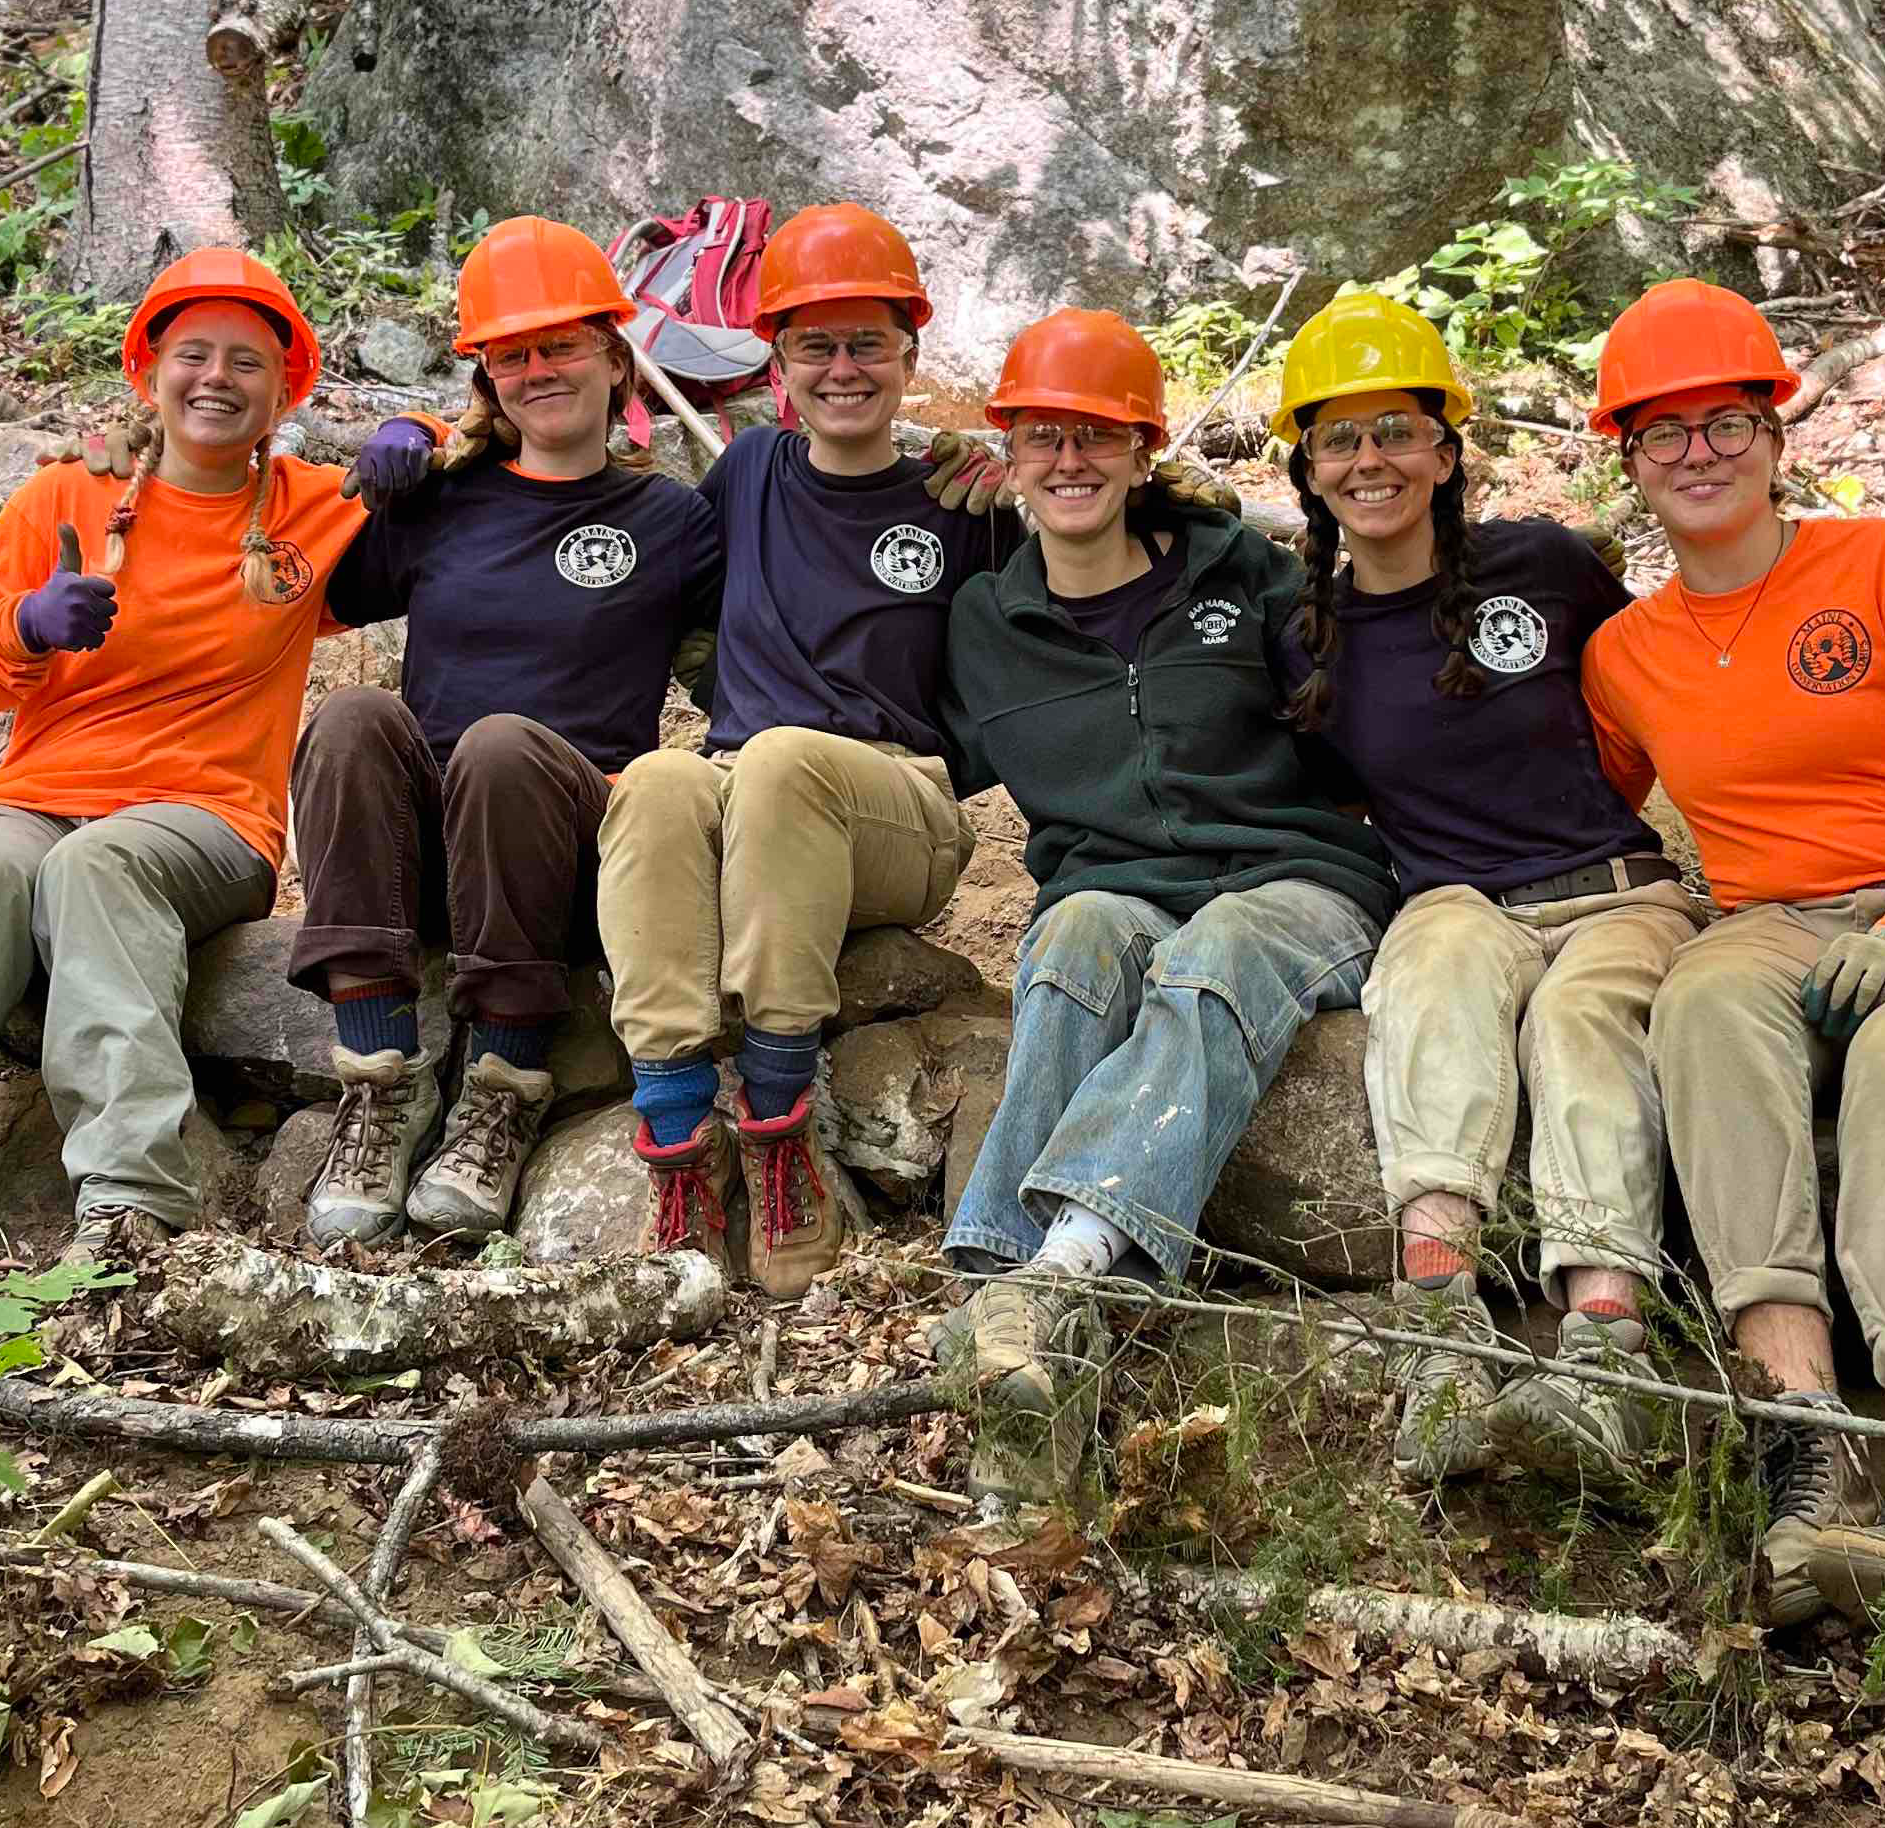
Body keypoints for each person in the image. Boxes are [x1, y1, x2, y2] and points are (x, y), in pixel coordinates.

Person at [1576, 279, 1885, 1655]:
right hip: (1771, 922)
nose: (1697, 452)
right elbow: (1578, 799)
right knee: (1702, 1007)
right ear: (1627, 456)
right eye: (1662, 431)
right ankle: (1804, 1447)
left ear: (1775, 433)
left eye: (1725, 420)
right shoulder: (1625, 656)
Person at [0, 251, 365, 1276]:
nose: (217, 379)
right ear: (149, 372)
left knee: (96, 868)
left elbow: (492, 452)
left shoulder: (313, 508)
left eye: (246, 361)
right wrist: (30, 623)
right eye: (194, 355)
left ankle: (133, 1208)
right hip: (39, 792)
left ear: (285, 389)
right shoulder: (66, 493)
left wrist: (418, 437)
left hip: (207, 816)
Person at [935, 308, 1398, 1502]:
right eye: (1045, 436)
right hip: (1116, 887)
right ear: (1009, 455)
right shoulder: (985, 622)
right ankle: (1000, 1298)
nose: (1071, 460)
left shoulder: (1242, 572)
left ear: (1147, 450)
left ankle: (1065, 1266)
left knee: (1223, 947)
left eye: (1101, 435)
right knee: (1078, 935)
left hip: (1297, 880)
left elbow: (1384, 624)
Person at [1266, 291, 1705, 1493]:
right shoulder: (1305, 632)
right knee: (1432, 964)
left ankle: (1605, 1350)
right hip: (1459, 894)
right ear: (1306, 466)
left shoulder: (1544, 564)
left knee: (1580, 1020)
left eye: (1397, 429)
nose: (1371, 461)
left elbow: (1648, 707)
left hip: (1618, 891)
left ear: (1447, 449)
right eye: (1340, 438)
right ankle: (1440, 1326)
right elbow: (1325, 788)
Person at [598, 204, 1012, 1299]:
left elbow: (1057, 612)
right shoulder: (744, 476)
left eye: (868, 343)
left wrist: (1016, 479)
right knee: (657, 779)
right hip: (754, 792)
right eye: (814, 346)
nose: (843, 369)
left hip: (898, 804)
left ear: (912, 355)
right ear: (775, 361)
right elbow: (665, 596)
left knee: (783, 757)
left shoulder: (957, 497)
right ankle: (681, 1142)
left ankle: (781, 1126)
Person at [288, 218, 722, 1247]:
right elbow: (290, 595)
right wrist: (379, 462)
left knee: (499, 743)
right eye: (512, 354)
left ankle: (506, 1079)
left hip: (563, 852)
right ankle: (379, 1087)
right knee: (352, 716)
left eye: (561, 345)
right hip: (428, 855)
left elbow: (747, 672)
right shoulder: (445, 500)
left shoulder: (672, 521)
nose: (538, 370)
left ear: (617, 360)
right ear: (487, 377)